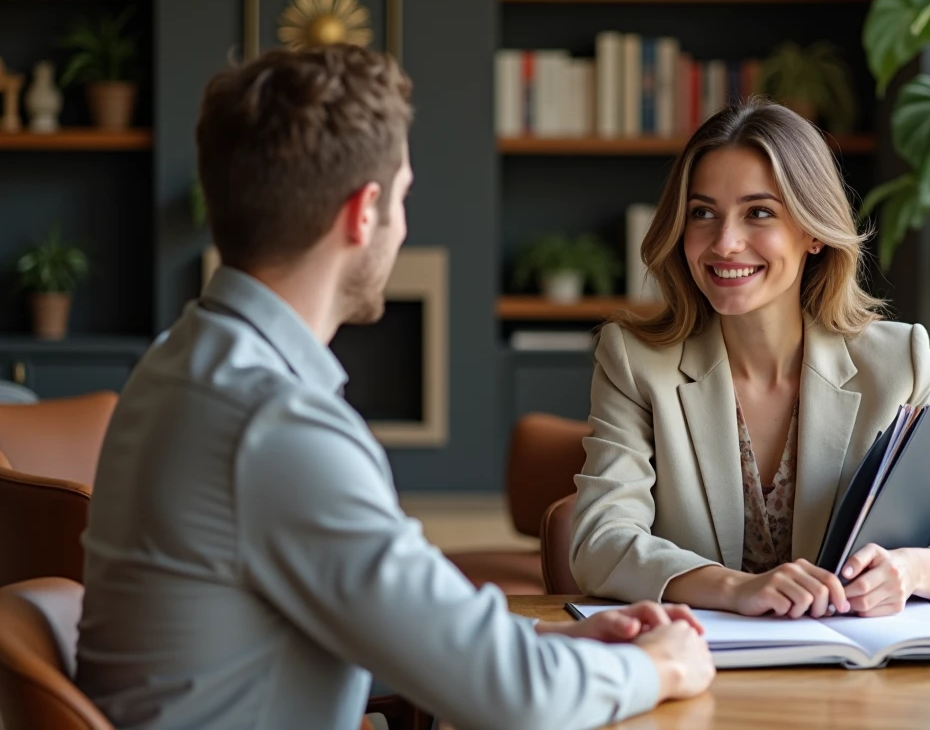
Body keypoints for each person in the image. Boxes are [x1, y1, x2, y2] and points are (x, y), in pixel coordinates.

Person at [76, 44, 714, 730]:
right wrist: (664, 664)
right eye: (403, 197)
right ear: (362, 212)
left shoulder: (180, 361)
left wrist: (544, 644)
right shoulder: (276, 427)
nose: (404, 226)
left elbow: (339, 626)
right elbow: (520, 701)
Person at [570, 101, 930, 621]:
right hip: (698, 669)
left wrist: (910, 572)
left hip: (857, 682)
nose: (725, 242)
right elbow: (600, 541)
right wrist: (735, 588)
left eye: (758, 212)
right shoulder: (635, 361)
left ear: (812, 232)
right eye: (703, 213)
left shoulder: (897, 363)